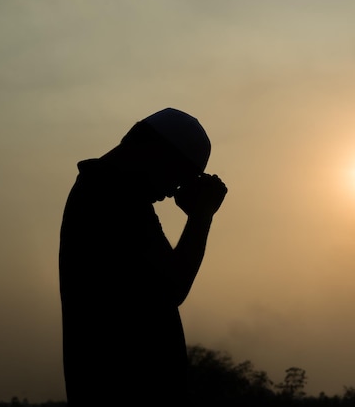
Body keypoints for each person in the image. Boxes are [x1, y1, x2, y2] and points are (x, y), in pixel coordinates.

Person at [58, 108, 228, 406]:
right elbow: (172, 288)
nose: (170, 192)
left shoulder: (105, 190)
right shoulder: (112, 198)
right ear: (155, 154)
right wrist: (201, 217)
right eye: (175, 176)